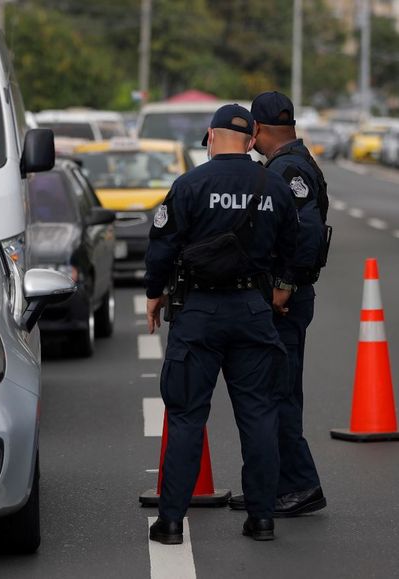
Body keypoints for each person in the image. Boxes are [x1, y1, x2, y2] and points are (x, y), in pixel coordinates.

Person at [145, 104, 299, 544]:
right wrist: (282, 287)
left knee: (187, 415)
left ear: (210, 137)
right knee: (259, 416)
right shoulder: (274, 185)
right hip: (254, 311)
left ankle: (172, 521)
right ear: (251, 140)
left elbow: (161, 247)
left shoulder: (190, 184)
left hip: (199, 314)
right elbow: (294, 245)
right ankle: (262, 518)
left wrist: (155, 294)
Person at [227, 91, 330, 517]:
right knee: (275, 392)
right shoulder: (291, 162)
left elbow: (306, 231)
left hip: (285, 300)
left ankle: (299, 485)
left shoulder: (289, 169)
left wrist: (284, 284)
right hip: (284, 295)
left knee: (279, 394)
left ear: (260, 130)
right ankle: (272, 485)